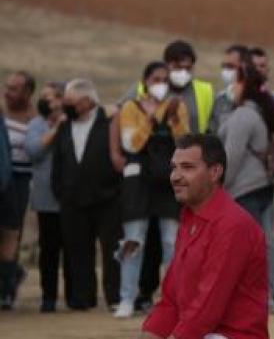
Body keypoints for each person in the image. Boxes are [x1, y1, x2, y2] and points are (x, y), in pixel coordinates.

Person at [140, 133, 268, 339]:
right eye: (174, 167)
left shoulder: (233, 224)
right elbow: (171, 298)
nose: (175, 176)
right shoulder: (190, 217)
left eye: (187, 167)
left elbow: (207, 306)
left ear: (215, 172)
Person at [114, 62, 190, 318]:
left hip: (169, 182)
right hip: (138, 182)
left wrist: (173, 117)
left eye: (165, 80)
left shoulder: (177, 106)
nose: (161, 84)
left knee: (172, 242)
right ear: (145, 81)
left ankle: (174, 300)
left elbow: (184, 142)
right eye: (156, 79)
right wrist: (149, 118)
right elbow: (130, 144)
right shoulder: (130, 107)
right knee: (134, 240)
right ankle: (127, 298)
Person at [219, 55, 274, 313]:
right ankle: (265, 295)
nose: (231, 86)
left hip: (244, 189)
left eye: (235, 81)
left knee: (244, 249)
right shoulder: (261, 111)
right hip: (261, 188)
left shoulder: (243, 116)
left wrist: (217, 189)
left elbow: (231, 158)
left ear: (243, 84)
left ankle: (251, 298)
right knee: (261, 245)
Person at [52, 78, 121, 310]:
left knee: (111, 250)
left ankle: (115, 297)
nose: (66, 106)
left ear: (87, 101)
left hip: (107, 198)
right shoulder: (63, 127)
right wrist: (60, 191)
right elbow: (58, 161)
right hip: (72, 200)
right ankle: (82, 299)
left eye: (71, 102)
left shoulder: (110, 122)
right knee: (78, 251)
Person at [24, 80, 70, 312]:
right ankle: (48, 297)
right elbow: (33, 150)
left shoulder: (74, 122)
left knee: (73, 250)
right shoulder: (36, 124)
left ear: (62, 99)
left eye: (49, 96)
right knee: (49, 251)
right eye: (42, 96)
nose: (44, 101)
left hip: (71, 199)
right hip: (45, 199)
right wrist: (56, 129)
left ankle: (76, 296)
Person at [1, 70, 36, 309]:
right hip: (1, 176)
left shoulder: (35, 118)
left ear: (27, 93)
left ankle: (7, 287)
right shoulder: (1, 112)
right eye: (6, 87)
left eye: (14, 89)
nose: (7, 93)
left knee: (11, 234)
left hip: (20, 181)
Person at [208, 43, 250, 134]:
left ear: (244, 67)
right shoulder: (219, 100)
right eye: (224, 66)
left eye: (230, 67)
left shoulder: (258, 100)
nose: (225, 71)